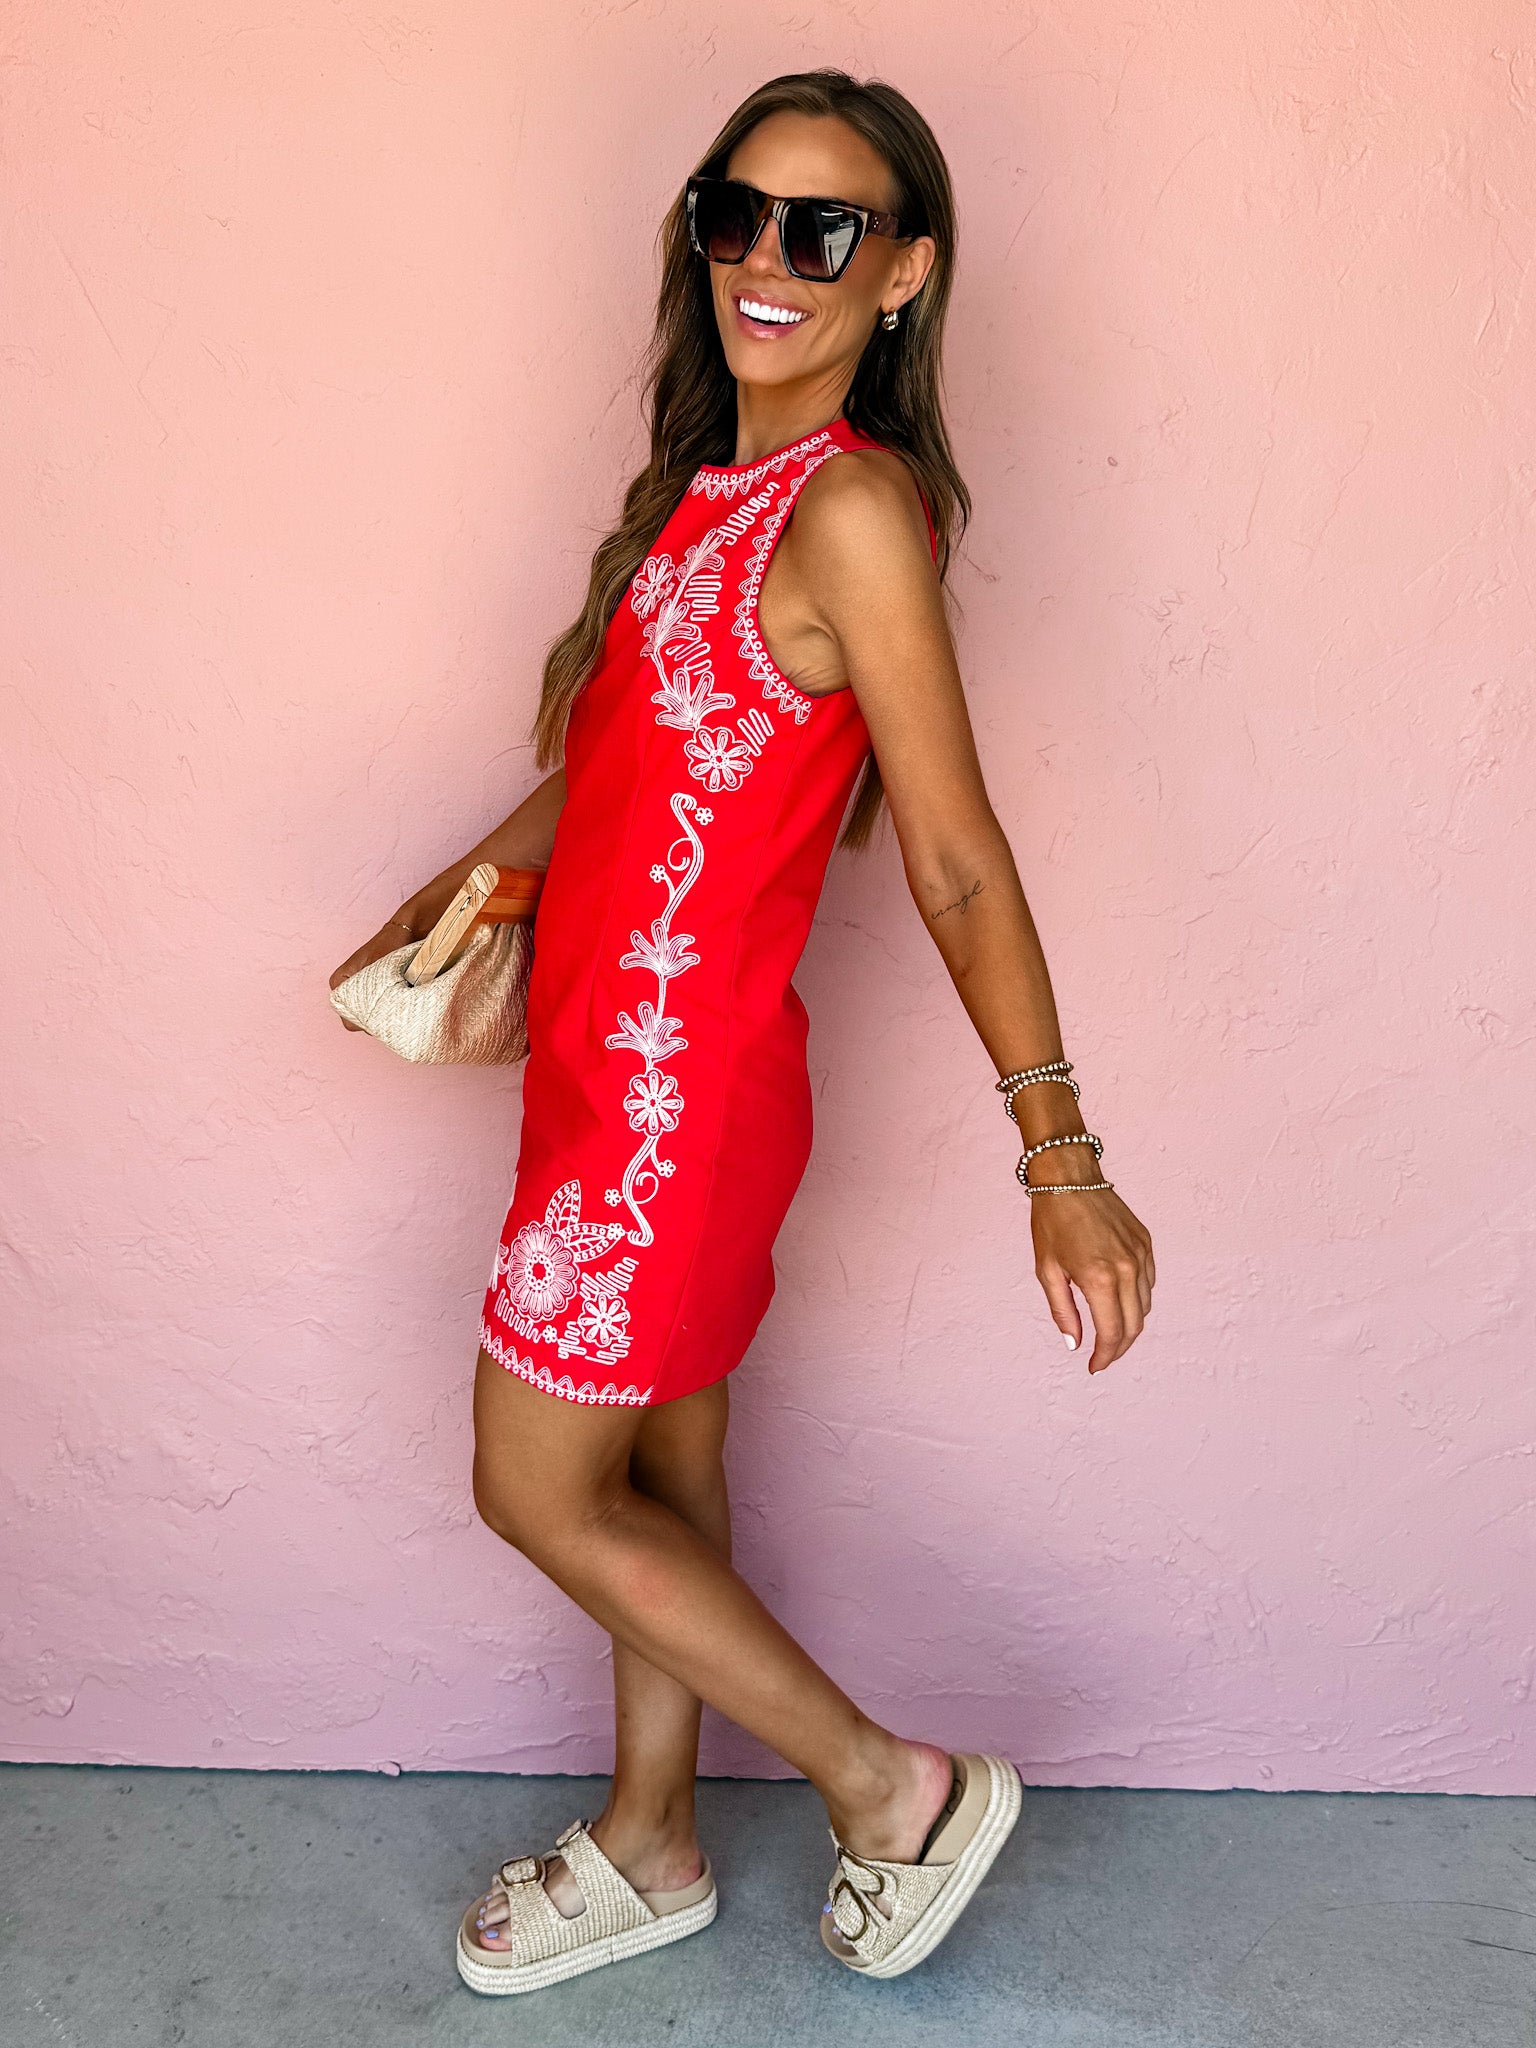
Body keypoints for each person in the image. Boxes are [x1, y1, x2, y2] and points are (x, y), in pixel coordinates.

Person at [331, 67, 1155, 1995]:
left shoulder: (852, 510)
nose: (766, 260)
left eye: (823, 228)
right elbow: (613, 778)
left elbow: (955, 858)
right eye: (737, 214)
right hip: (601, 1073)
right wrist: (449, 893)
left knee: (537, 1486)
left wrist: (1061, 1156)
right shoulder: (704, 503)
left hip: (672, 1112)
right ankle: (653, 1837)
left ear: (904, 274)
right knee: (666, 1481)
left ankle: (891, 1789)